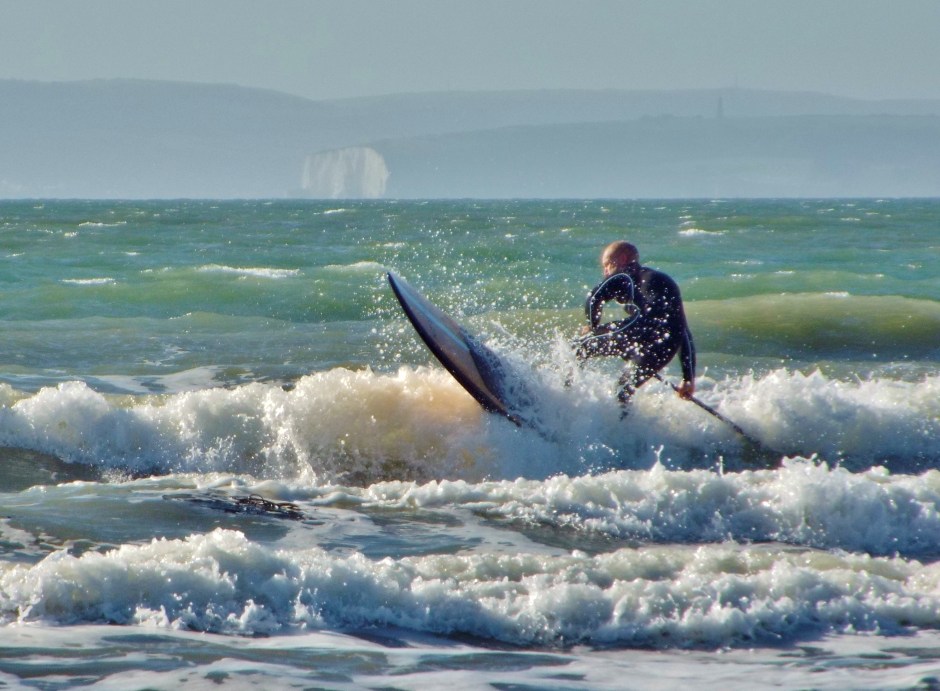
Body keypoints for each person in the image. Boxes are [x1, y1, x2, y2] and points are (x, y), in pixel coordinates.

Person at [574, 241, 695, 409]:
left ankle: (564, 397)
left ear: (623, 259)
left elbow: (594, 298)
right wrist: (688, 378)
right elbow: (681, 331)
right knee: (622, 390)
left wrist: (592, 327)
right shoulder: (658, 280)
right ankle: (623, 424)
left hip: (643, 329)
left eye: (607, 265)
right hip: (666, 344)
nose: (605, 272)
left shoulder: (625, 274)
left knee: (578, 347)